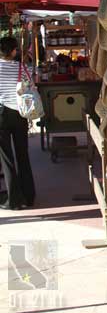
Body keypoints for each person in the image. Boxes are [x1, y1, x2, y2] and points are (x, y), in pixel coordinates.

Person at [0, 36, 35, 210]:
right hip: (20, 113)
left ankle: (13, 199)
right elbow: (31, 86)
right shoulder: (23, 67)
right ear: (14, 51)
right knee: (23, 154)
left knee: (6, 158)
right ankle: (29, 196)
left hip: (1, 115)